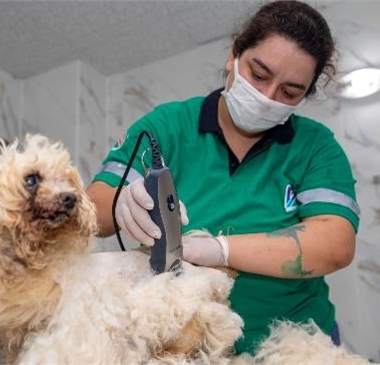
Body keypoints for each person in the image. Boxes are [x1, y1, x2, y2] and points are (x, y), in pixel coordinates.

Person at [85, 0, 359, 355]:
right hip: (188, 348)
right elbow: (92, 210)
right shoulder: (167, 127)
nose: (267, 97)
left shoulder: (316, 147)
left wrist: (221, 250)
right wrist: (121, 200)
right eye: (259, 75)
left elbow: (335, 244)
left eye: (289, 92)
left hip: (296, 346)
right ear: (234, 55)